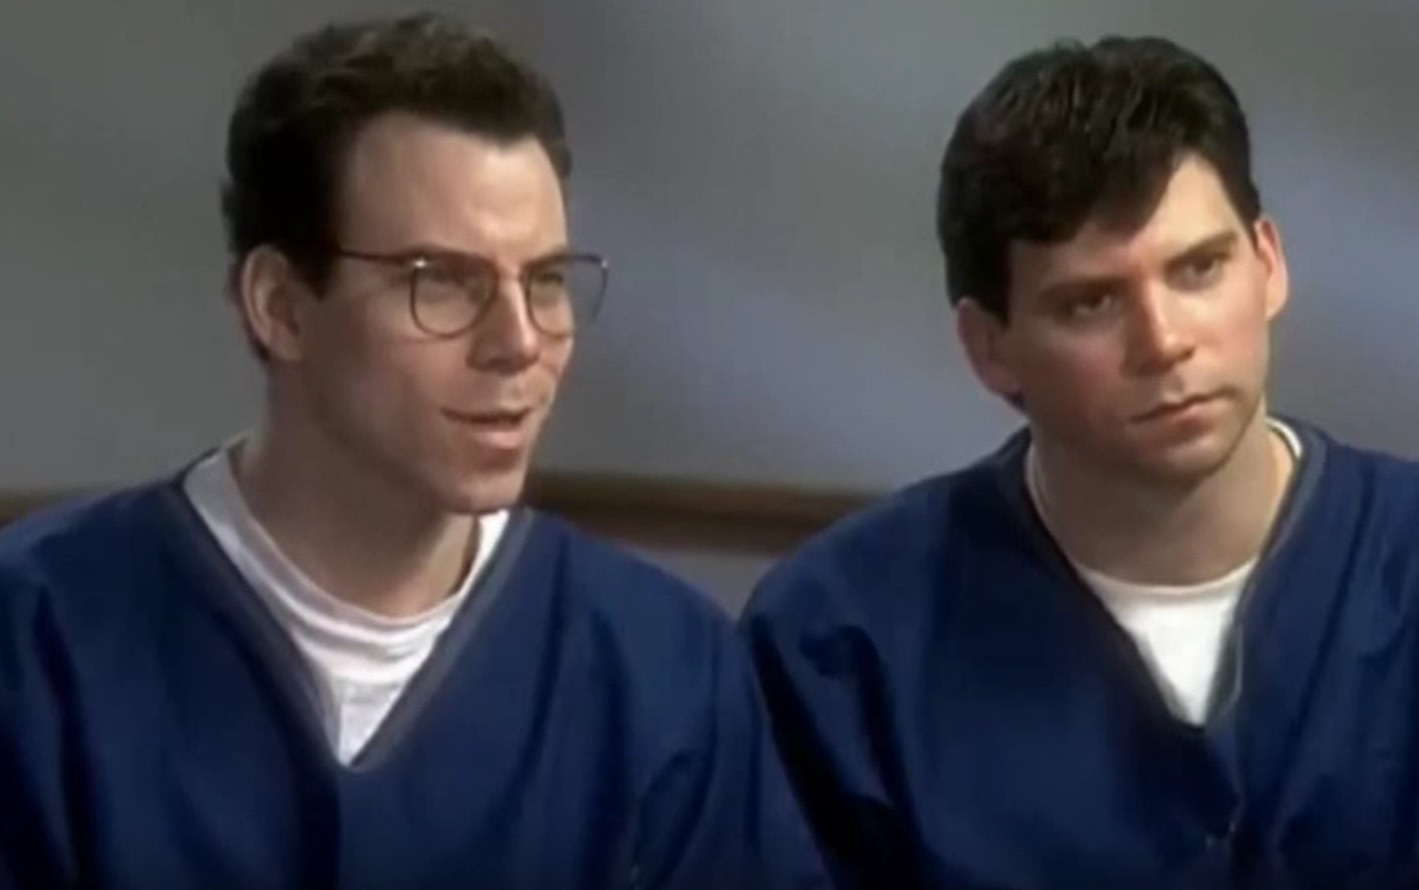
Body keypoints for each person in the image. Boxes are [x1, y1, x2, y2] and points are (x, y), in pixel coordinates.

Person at [0, 13, 827, 889]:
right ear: (280, 305)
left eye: (545, 281)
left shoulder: (662, 671)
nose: (519, 343)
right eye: (441, 283)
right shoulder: (37, 641)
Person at [741, 34, 1419, 889]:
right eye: (1090, 302)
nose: (1164, 342)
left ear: (1268, 264)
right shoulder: (839, 644)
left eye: (1198, 269)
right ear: (989, 347)